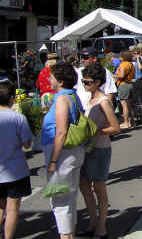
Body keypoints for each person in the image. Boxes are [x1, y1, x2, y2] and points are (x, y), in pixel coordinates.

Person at [41, 62, 86, 239]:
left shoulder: (61, 99)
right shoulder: (72, 95)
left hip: (62, 155)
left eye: (51, 77)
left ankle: (66, 236)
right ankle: (70, 234)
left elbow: (61, 132)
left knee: (59, 200)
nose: (49, 79)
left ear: (59, 80)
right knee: (70, 197)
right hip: (73, 152)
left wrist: (53, 160)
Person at [78, 63, 120, 238]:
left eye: (87, 82)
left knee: (99, 188)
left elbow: (116, 128)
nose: (84, 85)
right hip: (87, 148)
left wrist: (96, 131)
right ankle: (93, 222)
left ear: (97, 82)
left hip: (100, 149)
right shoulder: (89, 99)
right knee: (85, 185)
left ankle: (101, 226)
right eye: (83, 81)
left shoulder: (104, 102)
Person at [0, 81, 33, 239]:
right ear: (12, 98)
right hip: (15, 170)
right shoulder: (18, 118)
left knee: (0, 206)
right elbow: (27, 145)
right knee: (12, 208)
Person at [115, 50, 135, 129]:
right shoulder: (131, 64)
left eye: (120, 56)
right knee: (129, 104)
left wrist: (114, 76)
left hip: (123, 85)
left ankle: (126, 122)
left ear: (123, 57)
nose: (119, 58)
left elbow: (121, 75)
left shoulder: (123, 65)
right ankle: (132, 121)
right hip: (130, 84)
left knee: (124, 105)